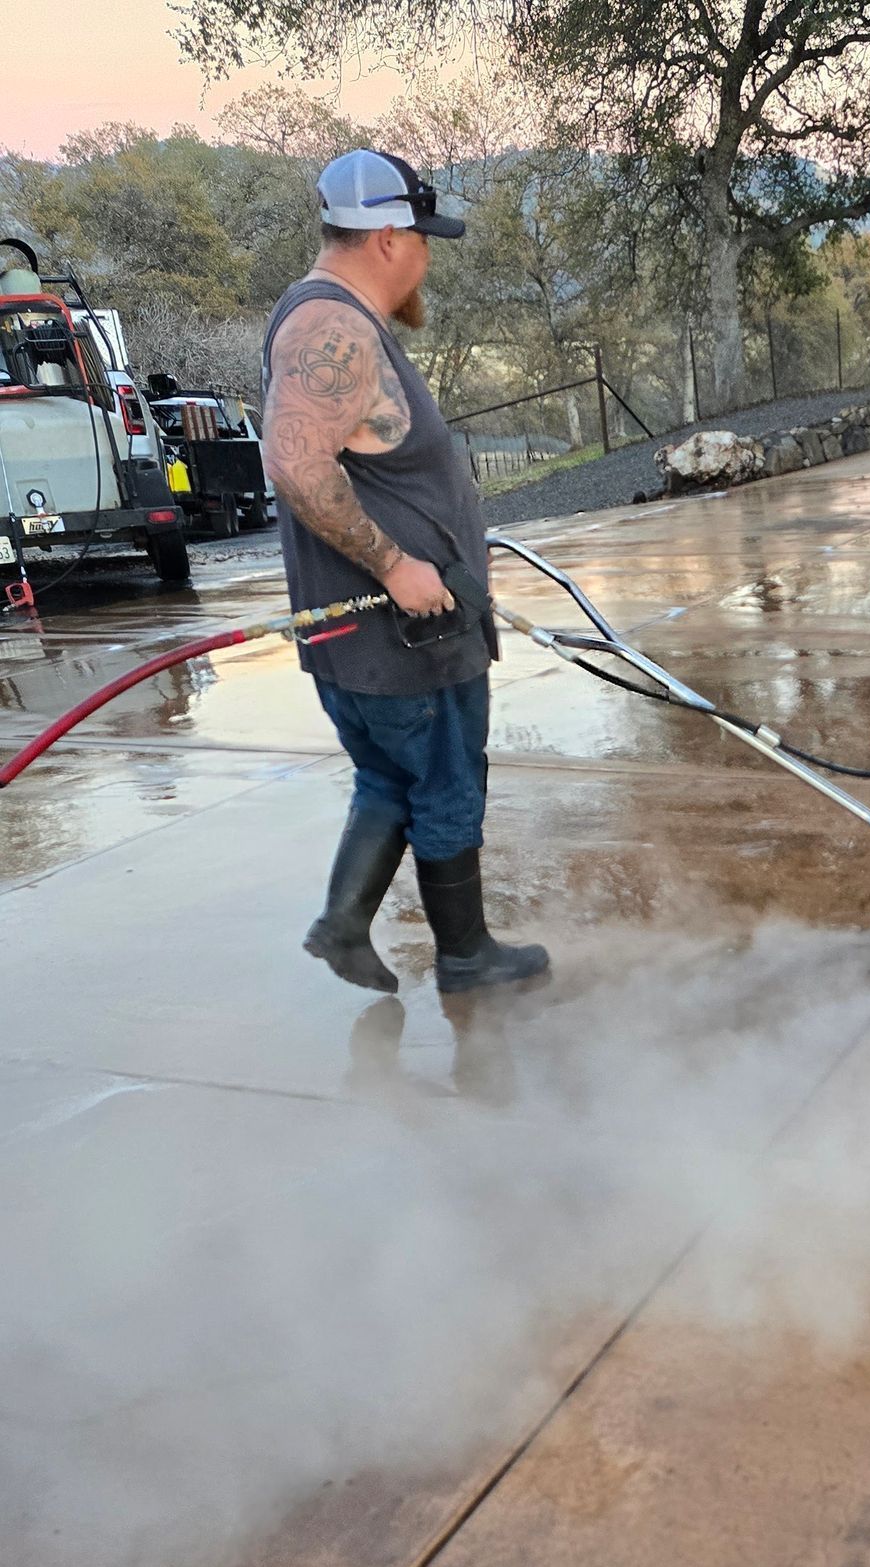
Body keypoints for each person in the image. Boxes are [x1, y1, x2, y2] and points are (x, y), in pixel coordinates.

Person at [262, 149, 547, 996]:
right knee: (450, 781)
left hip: (380, 640)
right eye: (423, 237)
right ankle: (467, 957)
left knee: (393, 776)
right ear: (387, 237)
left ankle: (343, 925)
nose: (428, 254)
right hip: (406, 636)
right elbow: (296, 460)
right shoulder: (331, 328)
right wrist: (396, 567)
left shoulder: (333, 318)